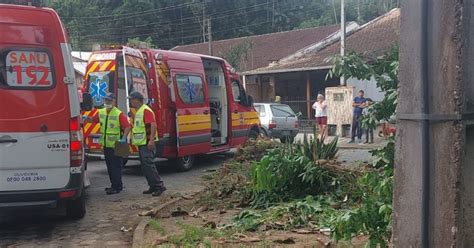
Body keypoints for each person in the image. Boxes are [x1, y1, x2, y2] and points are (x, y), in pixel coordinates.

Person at [84, 93, 130, 195]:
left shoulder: (119, 113)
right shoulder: (101, 112)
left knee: (116, 167)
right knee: (110, 166)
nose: (107, 103)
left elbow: (127, 127)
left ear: (114, 101)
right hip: (106, 144)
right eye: (106, 101)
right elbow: (93, 120)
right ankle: (116, 185)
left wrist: (123, 138)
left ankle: (116, 187)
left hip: (118, 144)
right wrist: (85, 118)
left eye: (109, 101)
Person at [128, 91, 166, 197]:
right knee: (145, 166)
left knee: (148, 165)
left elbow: (153, 125)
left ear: (136, 100)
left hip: (147, 143)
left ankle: (159, 186)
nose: (130, 102)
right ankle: (152, 186)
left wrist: (151, 141)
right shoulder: (140, 111)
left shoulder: (145, 110)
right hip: (143, 143)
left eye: (131, 99)